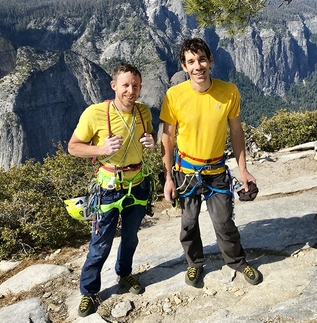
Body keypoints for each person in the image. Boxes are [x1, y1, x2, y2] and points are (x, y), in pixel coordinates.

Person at [159, 38, 263, 287]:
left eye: (202, 59)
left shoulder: (229, 92)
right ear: (184, 67)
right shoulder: (174, 96)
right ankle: (194, 263)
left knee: (224, 221)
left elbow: (236, 132)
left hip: (216, 170)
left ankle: (237, 262)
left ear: (210, 60)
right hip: (185, 172)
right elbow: (167, 138)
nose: (198, 66)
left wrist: (244, 170)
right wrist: (168, 178)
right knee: (188, 223)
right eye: (191, 61)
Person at [68, 63, 157, 317]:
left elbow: (150, 134)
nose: (131, 90)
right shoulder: (95, 113)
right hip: (107, 189)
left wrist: (151, 140)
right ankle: (89, 292)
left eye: (135, 86)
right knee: (100, 244)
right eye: (126, 85)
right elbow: (73, 147)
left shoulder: (143, 112)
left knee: (130, 238)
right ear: (114, 86)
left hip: (137, 185)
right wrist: (101, 149)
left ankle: (124, 273)